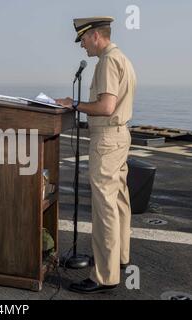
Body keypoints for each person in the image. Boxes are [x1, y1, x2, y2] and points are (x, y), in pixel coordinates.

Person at [56, 16, 137, 294]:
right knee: (119, 200)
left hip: (106, 138)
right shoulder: (122, 58)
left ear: (94, 36)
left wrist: (73, 103)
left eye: (83, 41)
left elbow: (105, 106)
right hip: (121, 135)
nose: (82, 47)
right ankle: (119, 258)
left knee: (104, 208)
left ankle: (105, 275)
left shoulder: (106, 61)